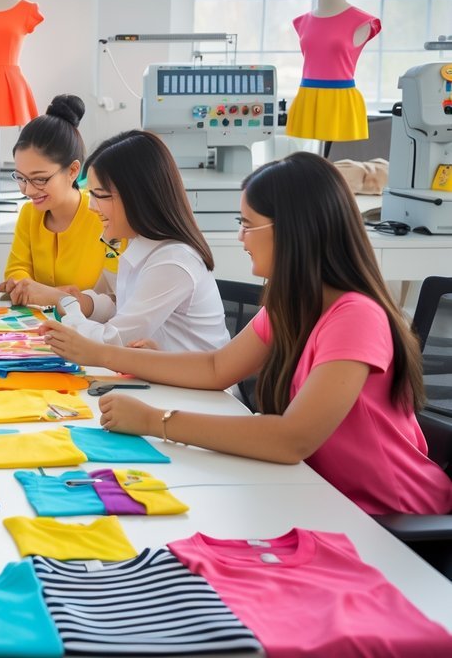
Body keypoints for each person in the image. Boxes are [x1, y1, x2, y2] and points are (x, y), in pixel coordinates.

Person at [43, 152, 452, 516]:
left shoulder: (356, 316)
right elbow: (217, 367)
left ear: (294, 231)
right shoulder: (293, 304)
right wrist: (104, 355)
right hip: (325, 497)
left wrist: (155, 421)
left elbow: (291, 439)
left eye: (248, 224)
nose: (240, 237)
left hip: (393, 518)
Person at [43, 129, 228, 351]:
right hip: (162, 378)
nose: (91, 206)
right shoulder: (138, 243)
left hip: (192, 385)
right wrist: (86, 304)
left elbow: (113, 342)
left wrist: (71, 312)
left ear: (137, 196)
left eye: (99, 195)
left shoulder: (173, 261)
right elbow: (127, 310)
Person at [0, 94, 119, 307]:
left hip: (94, 329)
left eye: (40, 179)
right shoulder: (29, 213)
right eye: (21, 178)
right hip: (38, 327)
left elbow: (117, 294)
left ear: (72, 171)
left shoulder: (104, 215)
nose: (28, 190)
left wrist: (52, 296)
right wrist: (38, 290)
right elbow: (16, 269)